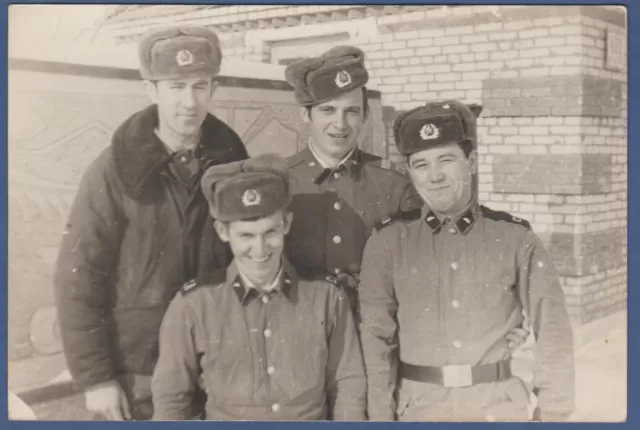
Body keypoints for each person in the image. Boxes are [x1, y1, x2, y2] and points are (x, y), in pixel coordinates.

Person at [53, 25, 248, 421]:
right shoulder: (111, 172)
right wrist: (96, 379)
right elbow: (77, 277)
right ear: (151, 90)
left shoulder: (235, 167)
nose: (189, 102)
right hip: (137, 376)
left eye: (199, 86)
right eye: (175, 87)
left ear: (213, 89)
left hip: (215, 369)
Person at [358, 100, 575, 422]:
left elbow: (553, 327)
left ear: (471, 162)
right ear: (410, 173)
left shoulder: (516, 238)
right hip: (418, 409)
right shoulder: (388, 242)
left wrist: (553, 413)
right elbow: (376, 339)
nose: (435, 176)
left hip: (497, 409)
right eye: (421, 164)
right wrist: (379, 419)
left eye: (446, 160)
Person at [151, 154, 366, 421]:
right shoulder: (193, 305)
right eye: (246, 236)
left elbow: (348, 386)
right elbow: (171, 399)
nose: (260, 249)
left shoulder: (326, 297)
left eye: (270, 233)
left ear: (286, 224)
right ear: (222, 232)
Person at [282, 46, 422, 312]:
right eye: (328, 110)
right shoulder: (280, 181)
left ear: (365, 117)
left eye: (352, 112)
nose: (340, 124)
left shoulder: (394, 184)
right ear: (305, 115)